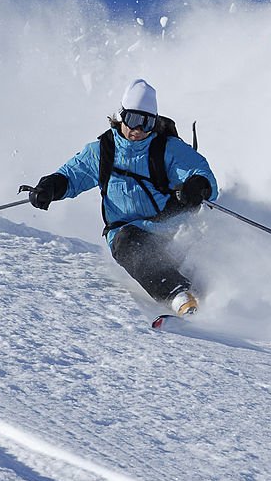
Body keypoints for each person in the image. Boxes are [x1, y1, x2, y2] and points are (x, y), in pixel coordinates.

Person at [27, 79, 217, 326]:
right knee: (126, 241)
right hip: (129, 236)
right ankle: (180, 296)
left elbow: (201, 174)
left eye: (146, 122)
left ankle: (223, 298)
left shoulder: (167, 149)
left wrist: (197, 186)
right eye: (133, 119)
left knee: (209, 247)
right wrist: (49, 187)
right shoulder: (103, 151)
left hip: (173, 229)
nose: (138, 129)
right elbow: (73, 175)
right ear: (120, 117)